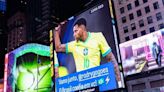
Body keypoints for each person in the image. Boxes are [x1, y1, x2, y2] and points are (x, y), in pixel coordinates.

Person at [55, 18, 121, 82]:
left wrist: (119, 81)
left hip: (96, 81)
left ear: (82, 29)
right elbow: (58, 48)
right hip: (82, 85)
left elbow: (110, 58)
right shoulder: (74, 44)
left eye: (76, 31)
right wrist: (56, 31)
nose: (74, 34)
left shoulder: (98, 37)